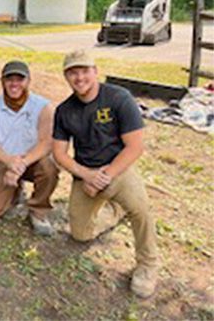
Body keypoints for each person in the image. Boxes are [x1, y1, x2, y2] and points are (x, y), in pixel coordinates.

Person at [52, 49, 159, 298]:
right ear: (66, 77)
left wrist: (106, 176)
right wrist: (86, 175)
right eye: (73, 73)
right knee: (80, 234)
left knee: (141, 210)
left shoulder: (119, 98)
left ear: (95, 71)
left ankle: (148, 264)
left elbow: (135, 147)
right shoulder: (64, 110)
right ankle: (114, 211)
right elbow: (60, 154)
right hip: (86, 175)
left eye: (84, 71)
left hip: (118, 169)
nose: (79, 78)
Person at [0, 60, 59, 236]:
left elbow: (46, 142)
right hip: (3, 160)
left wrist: (20, 164)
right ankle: (14, 193)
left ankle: (38, 210)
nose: (14, 84)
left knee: (49, 167)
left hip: (33, 159)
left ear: (28, 81)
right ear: (2, 82)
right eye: (9, 79)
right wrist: (9, 162)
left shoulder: (44, 107)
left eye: (19, 79)